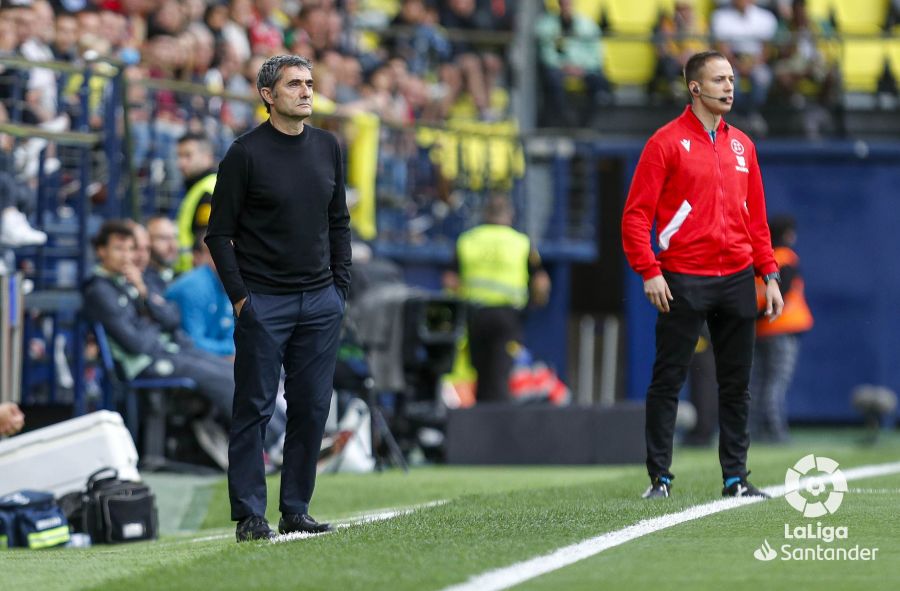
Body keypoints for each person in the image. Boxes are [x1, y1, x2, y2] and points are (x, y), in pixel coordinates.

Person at [621, 50, 784, 500]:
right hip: (682, 277)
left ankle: (736, 478)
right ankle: (660, 479)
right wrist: (649, 270)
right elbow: (636, 217)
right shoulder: (665, 143)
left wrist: (768, 274)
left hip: (736, 277)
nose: (729, 87)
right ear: (695, 87)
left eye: (731, 79)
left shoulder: (743, 146)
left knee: (736, 385)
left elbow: (757, 218)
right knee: (668, 379)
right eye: (719, 80)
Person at [205, 54, 351, 543]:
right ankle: (250, 514)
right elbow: (218, 234)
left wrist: (339, 289)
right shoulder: (244, 153)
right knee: (255, 408)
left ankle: (295, 509)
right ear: (268, 95)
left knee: (311, 408)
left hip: (320, 302)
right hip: (264, 302)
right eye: (294, 84)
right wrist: (242, 299)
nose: (306, 91)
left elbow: (339, 222)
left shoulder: (329, 146)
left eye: (310, 83)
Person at [443, 194, 550, 402]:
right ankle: (496, 424)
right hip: (507, 318)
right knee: (501, 373)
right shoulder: (521, 242)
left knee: (477, 372)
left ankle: (479, 418)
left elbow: (450, 281)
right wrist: (534, 305)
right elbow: (541, 284)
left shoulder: (467, 240)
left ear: (485, 214)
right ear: (509, 215)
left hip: (474, 316)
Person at [749, 215, 813, 443]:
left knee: (757, 382)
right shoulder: (785, 258)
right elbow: (782, 292)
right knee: (776, 382)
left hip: (759, 329)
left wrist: (754, 317)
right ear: (786, 234)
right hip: (783, 328)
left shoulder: (758, 260)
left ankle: (753, 430)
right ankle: (776, 431)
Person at [165, 235, 234, 358]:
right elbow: (193, 343)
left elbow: (232, 336)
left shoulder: (231, 283)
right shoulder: (194, 287)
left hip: (213, 356)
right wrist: (231, 351)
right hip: (178, 355)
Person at [174, 133, 217, 272]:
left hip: (198, 274)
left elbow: (206, 242)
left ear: (207, 157)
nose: (180, 163)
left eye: (188, 155)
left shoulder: (209, 190)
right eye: (179, 156)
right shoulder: (198, 187)